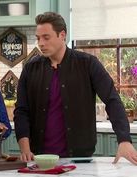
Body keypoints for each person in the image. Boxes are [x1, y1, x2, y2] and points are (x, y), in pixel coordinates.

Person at [14, 12, 137, 165]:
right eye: (38, 38)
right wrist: (24, 148)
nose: (41, 43)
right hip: (40, 159)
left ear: (62, 35)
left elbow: (112, 100)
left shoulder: (88, 64)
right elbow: (21, 110)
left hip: (79, 159)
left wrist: (124, 139)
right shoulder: (30, 68)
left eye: (46, 37)